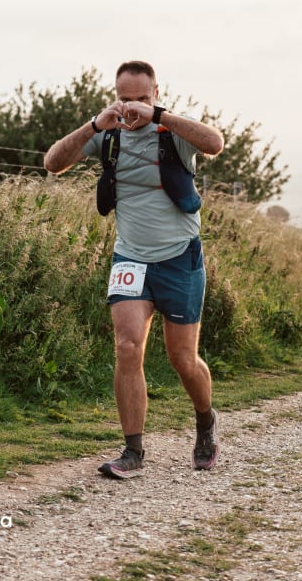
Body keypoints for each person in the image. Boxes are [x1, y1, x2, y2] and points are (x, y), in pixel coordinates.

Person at [44, 61, 225, 479]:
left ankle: (205, 421)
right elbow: (53, 163)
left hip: (179, 257)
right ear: (115, 95)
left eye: (142, 98)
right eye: (125, 98)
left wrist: (159, 116)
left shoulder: (172, 131)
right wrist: (94, 125)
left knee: (183, 359)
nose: (133, 106)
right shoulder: (108, 134)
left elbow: (214, 143)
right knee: (127, 347)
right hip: (130, 258)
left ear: (156, 93)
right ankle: (133, 451)